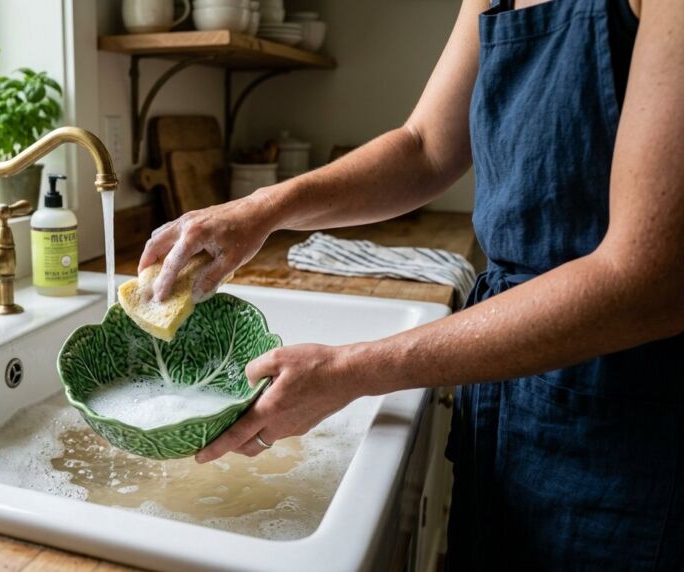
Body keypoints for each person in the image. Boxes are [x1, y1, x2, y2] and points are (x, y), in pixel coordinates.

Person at [138, 0, 683, 567]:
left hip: (630, 413)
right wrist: (264, 208)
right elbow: (425, 147)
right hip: (502, 397)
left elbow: (649, 279)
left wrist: (352, 371)